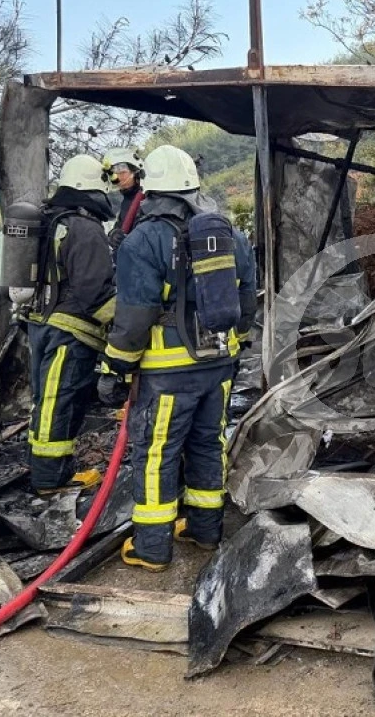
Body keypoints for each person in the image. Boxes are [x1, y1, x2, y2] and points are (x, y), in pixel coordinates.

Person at [104, 144, 257, 572]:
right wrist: (237, 344)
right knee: (209, 444)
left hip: (168, 373)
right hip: (220, 365)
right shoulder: (228, 233)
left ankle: (152, 547)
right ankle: (205, 531)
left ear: (150, 188)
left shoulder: (144, 239)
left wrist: (114, 367)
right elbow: (247, 298)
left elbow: (134, 319)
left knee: (157, 454)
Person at [25, 154, 117, 493]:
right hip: (70, 332)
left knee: (45, 400)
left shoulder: (54, 221)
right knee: (59, 402)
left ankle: (44, 472)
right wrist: (127, 325)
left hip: (41, 324)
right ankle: (49, 481)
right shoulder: (85, 228)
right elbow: (95, 292)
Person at [102, 148, 144, 250]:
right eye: (114, 173)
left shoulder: (147, 197)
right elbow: (119, 226)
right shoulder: (127, 199)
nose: (118, 178)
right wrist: (113, 235)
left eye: (122, 172)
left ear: (135, 172)